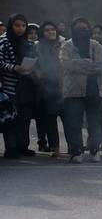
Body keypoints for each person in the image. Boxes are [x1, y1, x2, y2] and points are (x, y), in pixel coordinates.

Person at [58, 17, 102, 164]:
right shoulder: (66, 46)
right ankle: (76, 152)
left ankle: (94, 150)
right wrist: (87, 63)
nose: (82, 32)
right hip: (73, 91)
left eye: (85, 29)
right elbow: (66, 64)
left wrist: (79, 65)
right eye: (79, 29)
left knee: (94, 123)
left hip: (93, 90)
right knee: (74, 123)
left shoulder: (96, 46)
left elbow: (99, 66)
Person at [1, 15, 36, 158]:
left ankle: (23, 146)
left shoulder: (28, 43)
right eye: (17, 25)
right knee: (11, 119)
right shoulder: (3, 41)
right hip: (9, 87)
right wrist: (14, 67)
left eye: (23, 25)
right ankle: (11, 148)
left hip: (26, 86)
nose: (20, 29)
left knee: (24, 118)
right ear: (11, 26)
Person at [33, 21, 63, 156]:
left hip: (64, 87)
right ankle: (54, 147)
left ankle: (75, 147)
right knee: (50, 120)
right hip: (46, 87)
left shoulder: (63, 45)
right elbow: (32, 65)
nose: (51, 32)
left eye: (53, 29)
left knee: (69, 119)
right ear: (42, 33)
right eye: (47, 30)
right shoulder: (37, 47)